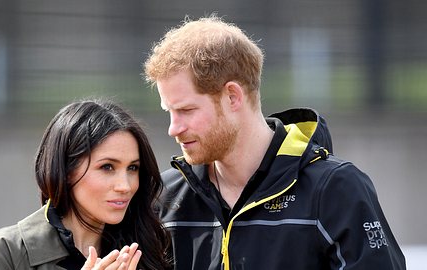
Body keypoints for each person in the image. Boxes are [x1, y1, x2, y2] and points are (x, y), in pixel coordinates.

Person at [143, 15, 406, 270]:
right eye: (170, 112)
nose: (173, 128)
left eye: (186, 110)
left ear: (233, 96)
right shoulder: (165, 197)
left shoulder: (336, 189)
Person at [0, 98, 172, 270]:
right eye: (107, 167)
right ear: (66, 170)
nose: (125, 186)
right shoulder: (6, 252)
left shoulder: (153, 247)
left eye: (133, 168)